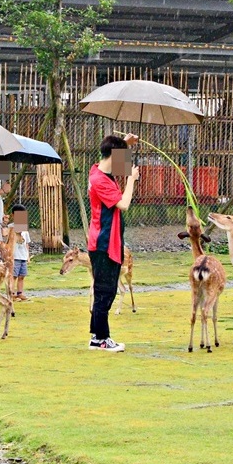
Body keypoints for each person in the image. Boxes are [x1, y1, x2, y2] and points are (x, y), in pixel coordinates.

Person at [85, 133, 140, 352]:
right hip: (103, 243)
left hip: (109, 240)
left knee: (104, 290)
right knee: (105, 292)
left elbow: (112, 157)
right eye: (122, 157)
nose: (125, 163)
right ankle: (102, 338)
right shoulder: (100, 181)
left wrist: (125, 144)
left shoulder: (99, 169)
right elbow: (123, 204)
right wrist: (131, 180)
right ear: (114, 156)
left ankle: (96, 337)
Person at [8, 203, 31, 301]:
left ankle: (20, 293)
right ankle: (11, 294)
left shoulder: (25, 229)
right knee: (13, 276)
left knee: (22, 276)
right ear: (13, 215)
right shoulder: (10, 227)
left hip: (23, 257)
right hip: (15, 256)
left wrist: (28, 256)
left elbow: (26, 243)